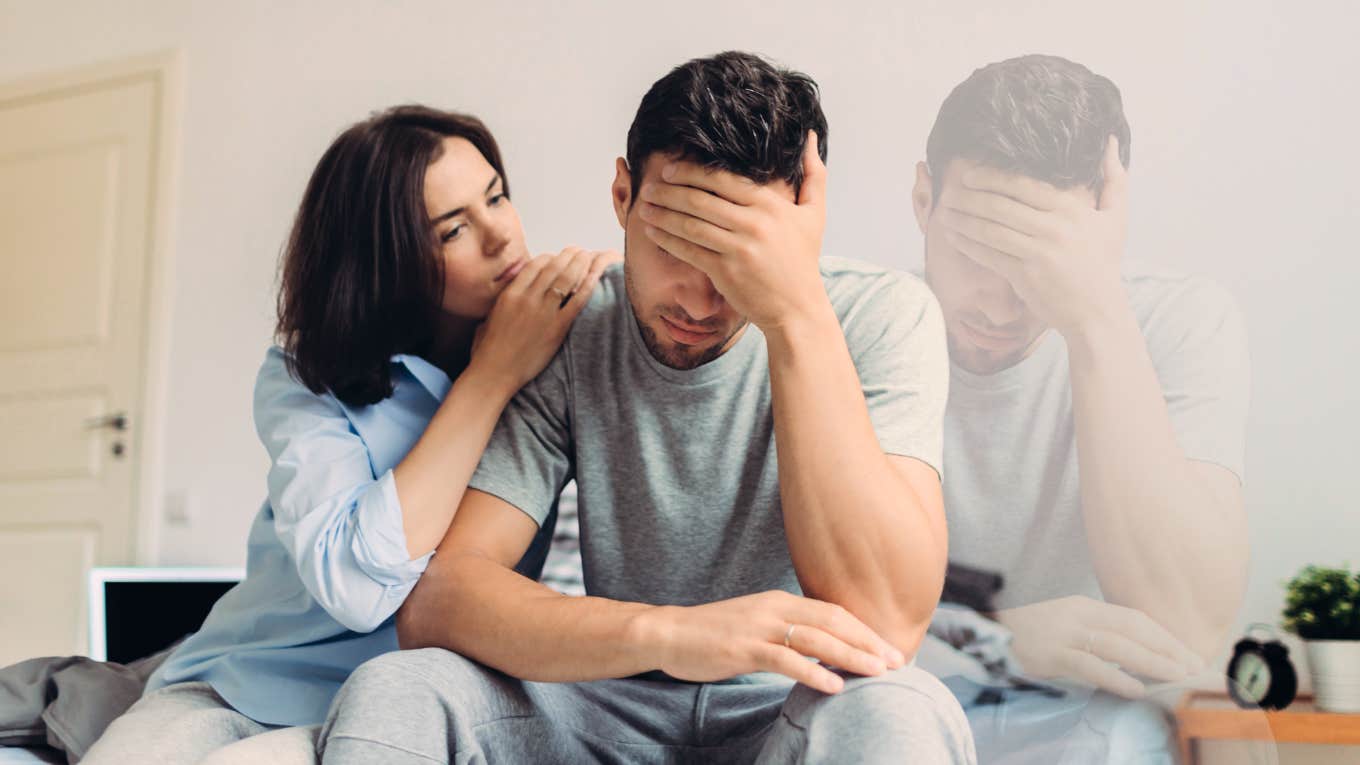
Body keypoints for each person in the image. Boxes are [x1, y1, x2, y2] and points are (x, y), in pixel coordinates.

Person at [317, 51, 976, 764]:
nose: (699, 299)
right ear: (623, 195)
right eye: (676, 245)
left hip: (791, 705)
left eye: (736, 260)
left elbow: (884, 623)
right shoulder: (572, 327)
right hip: (608, 700)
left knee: (906, 705)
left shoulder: (879, 314)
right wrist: (671, 635)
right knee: (398, 685)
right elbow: (440, 600)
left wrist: (795, 315)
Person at [81, 105, 617, 764]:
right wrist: (491, 376)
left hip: (410, 696)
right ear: (390, 258)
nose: (502, 237)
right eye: (454, 229)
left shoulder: (561, 343)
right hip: (245, 678)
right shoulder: (306, 374)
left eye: (497, 197)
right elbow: (356, 589)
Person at [910, 54, 1252, 762]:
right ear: (923, 199)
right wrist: (997, 638)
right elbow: (785, 614)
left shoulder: (1176, 321)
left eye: (1039, 262)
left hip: (1098, 718)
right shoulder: (869, 324)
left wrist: (1094, 312)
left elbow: (1186, 627)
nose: (1002, 305)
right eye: (978, 250)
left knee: (1227, 730)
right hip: (912, 697)